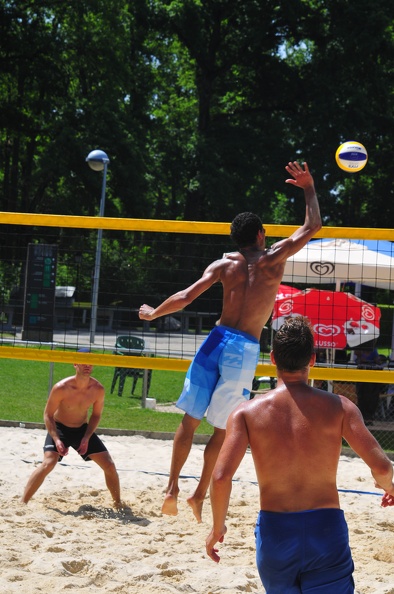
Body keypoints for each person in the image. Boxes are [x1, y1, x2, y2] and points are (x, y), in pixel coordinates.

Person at [139, 161, 322, 522]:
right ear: (259, 235)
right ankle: (198, 495)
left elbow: (186, 296)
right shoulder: (272, 259)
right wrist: (309, 188)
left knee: (189, 420)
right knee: (222, 429)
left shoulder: (223, 265)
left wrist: (153, 313)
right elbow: (312, 225)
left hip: (215, 339)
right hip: (242, 349)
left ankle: (172, 487)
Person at [206, 316, 394, 593]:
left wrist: (218, 527)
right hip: (325, 529)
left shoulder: (246, 412)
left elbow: (221, 477)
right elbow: (381, 466)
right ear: (313, 359)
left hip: (276, 531)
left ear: (272, 358)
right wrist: (388, 485)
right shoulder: (339, 407)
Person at [21, 357, 122, 507]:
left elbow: (96, 415)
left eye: (90, 362)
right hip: (60, 428)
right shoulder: (61, 387)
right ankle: (23, 502)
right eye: (83, 362)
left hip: (82, 430)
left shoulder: (97, 389)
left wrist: (87, 437)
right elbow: (48, 415)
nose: (87, 365)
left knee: (109, 465)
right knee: (48, 463)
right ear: (75, 364)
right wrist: (56, 439)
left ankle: (118, 503)